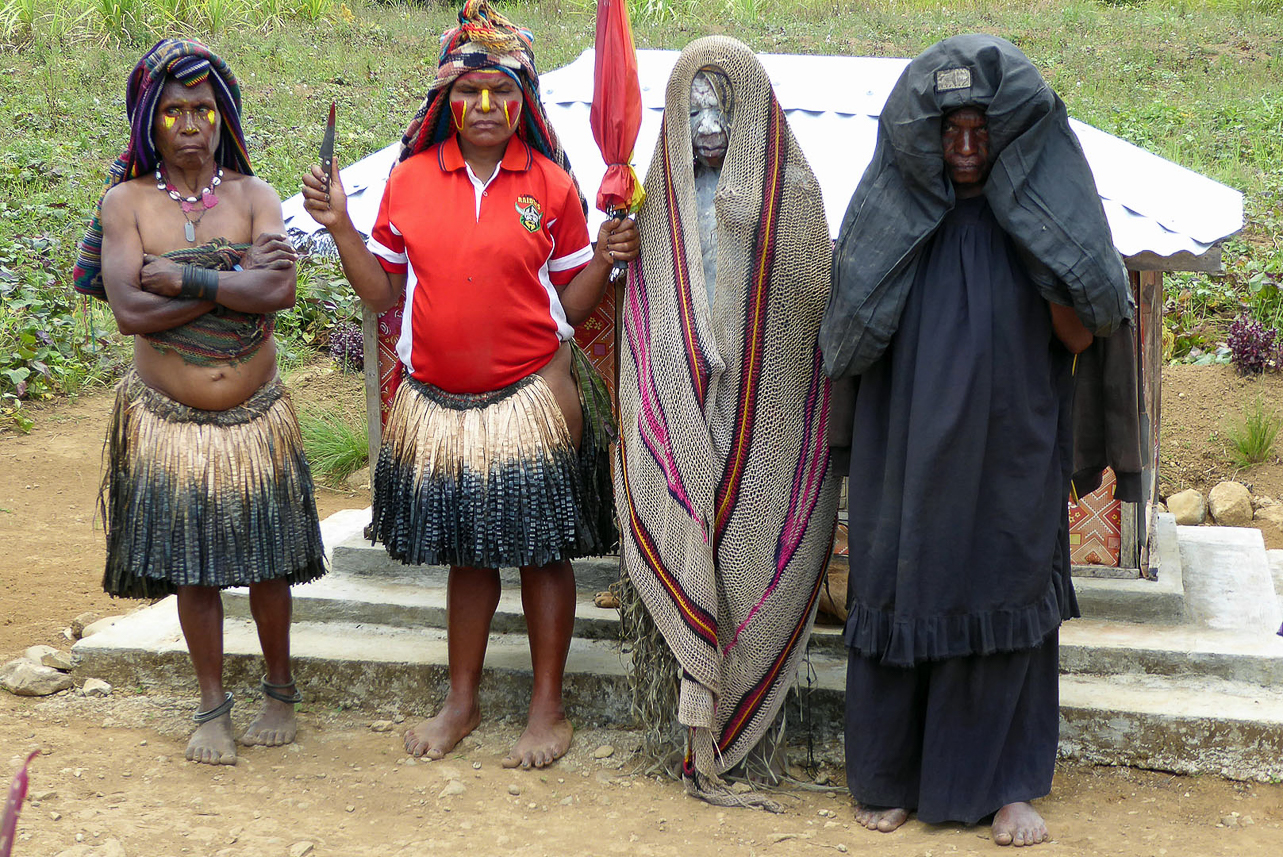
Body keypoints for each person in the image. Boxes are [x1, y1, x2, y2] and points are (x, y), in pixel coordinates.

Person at [300, 0, 638, 770]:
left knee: (544, 551)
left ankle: (547, 706)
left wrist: (605, 257)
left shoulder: (550, 185)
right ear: (446, 103)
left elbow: (572, 306)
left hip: (532, 395)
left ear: (523, 102)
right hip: (441, 404)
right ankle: (462, 699)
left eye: (502, 93)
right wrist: (342, 228)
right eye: (469, 93)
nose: (485, 107)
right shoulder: (409, 179)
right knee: (467, 554)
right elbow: (383, 297)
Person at [820, 35, 1138, 845]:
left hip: (1009, 447)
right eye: (949, 132)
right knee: (903, 584)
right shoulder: (891, 224)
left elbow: (1077, 336)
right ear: (923, 137)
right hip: (907, 448)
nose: (964, 149)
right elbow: (852, 337)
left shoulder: (1039, 223)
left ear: (1008, 137)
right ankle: (890, 777)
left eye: (981, 133)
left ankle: (1007, 785)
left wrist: (1043, 251)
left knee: (1004, 588)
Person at [73, 38, 327, 766]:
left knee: (271, 561)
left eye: (204, 110)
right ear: (151, 121)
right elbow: (125, 308)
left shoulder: (254, 197)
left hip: (256, 419)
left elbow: (277, 292)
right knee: (196, 566)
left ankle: (279, 687)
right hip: (169, 422)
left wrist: (182, 280)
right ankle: (212, 703)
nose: (191, 124)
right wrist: (232, 280)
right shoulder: (125, 202)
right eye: (176, 111)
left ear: (223, 119)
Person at [615, 35, 840, 807]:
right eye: (693, 108)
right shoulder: (653, 207)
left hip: (758, 421)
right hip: (682, 422)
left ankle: (742, 735)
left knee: (747, 550)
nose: (708, 124)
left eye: (724, 107)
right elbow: (644, 322)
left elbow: (806, 308)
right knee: (689, 544)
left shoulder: (794, 199)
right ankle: (689, 735)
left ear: (751, 112)